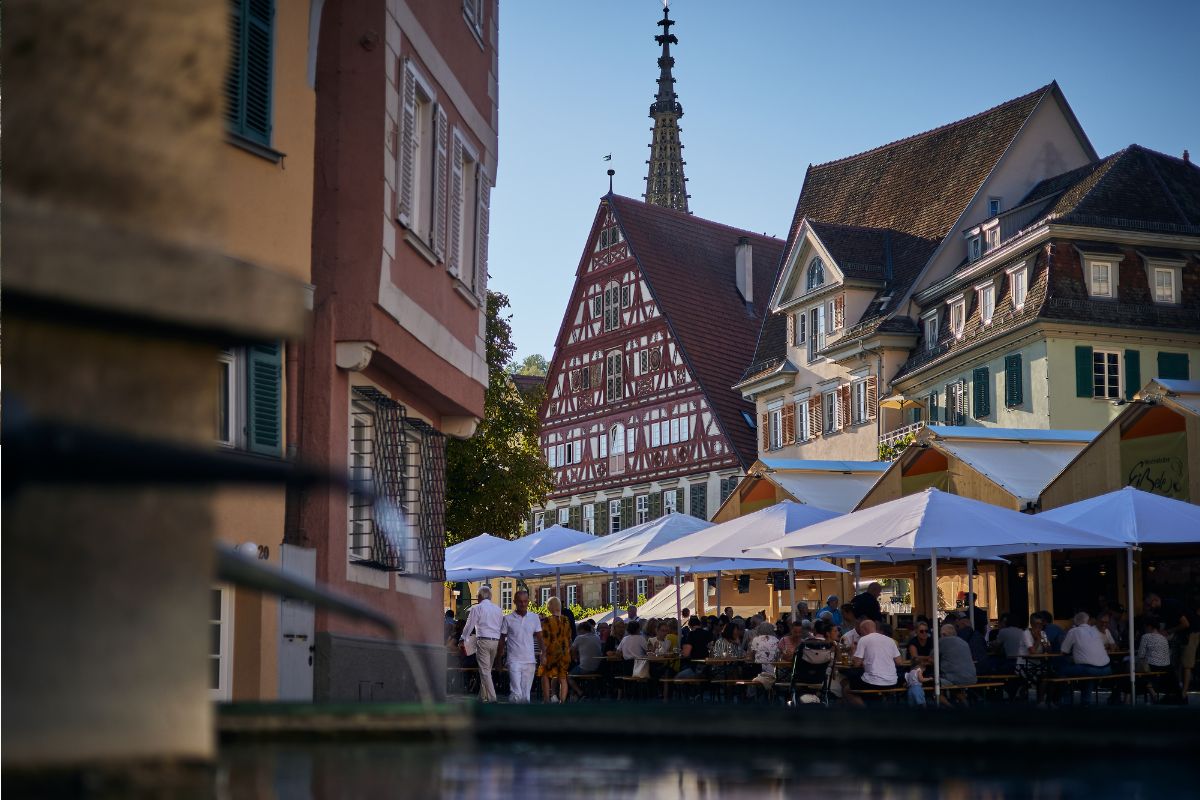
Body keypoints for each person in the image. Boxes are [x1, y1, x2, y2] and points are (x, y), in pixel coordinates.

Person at [498, 590, 543, 703]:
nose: (523, 604)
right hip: (514, 660)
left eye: (525, 601)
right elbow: (502, 640)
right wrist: (498, 660)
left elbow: (540, 638)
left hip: (530, 661)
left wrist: (544, 654)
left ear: (528, 602)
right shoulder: (507, 619)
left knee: (525, 695)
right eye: (520, 601)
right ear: (514, 602)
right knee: (516, 692)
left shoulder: (534, 617)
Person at [460, 586, 503, 703]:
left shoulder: (477, 608)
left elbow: (469, 625)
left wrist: (462, 638)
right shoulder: (498, 609)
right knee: (487, 670)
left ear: (479, 597)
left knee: (485, 671)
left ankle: (492, 698)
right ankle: (482, 696)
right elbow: (501, 626)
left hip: (483, 640)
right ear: (490, 596)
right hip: (495, 641)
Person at [843, 620, 903, 705]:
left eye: (861, 631)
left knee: (847, 690)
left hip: (872, 682)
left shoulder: (864, 640)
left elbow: (856, 664)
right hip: (892, 682)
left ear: (863, 629)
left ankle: (865, 712)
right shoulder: (890, 640)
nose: (860, 634)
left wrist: (853, 651)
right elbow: (899, 662)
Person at [1057, 611, 1111, 704]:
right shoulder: (1094, 631)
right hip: (1107, 668)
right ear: (1088, 621)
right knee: (1087, 672)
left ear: (1075, 622)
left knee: (1062, 670)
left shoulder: (1074, 631)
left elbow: (1064, 651)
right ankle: (1086, 701)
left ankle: (1066, 701)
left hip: (1090, 669)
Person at [538, 597, 571, 704]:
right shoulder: (566, 620)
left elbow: (545, 639)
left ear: (549, 607)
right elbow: (569, 637)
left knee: (545, 674)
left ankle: (547, 699)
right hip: (564, 652)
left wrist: (543, 653)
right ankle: (562, 701)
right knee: (563, 677)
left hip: (551, 652)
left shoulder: (547, 620)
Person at [568, 620, 602, 700]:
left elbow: (572, 650)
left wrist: (575, 658)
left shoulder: (580, 638)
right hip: (598, 667)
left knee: (569, 676)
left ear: (582, 630)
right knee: (577, 670)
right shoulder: (597, 637)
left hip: (585, 667)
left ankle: (580, 693)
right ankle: (580, 693)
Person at [938, 623, 977, 688]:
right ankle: (962, 697)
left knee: (934, 683)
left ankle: (941, 698)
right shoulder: (964, 642)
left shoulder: (943, 640)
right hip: (972, 679)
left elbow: (932, 658)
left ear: (944, 634)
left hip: (954, 679)